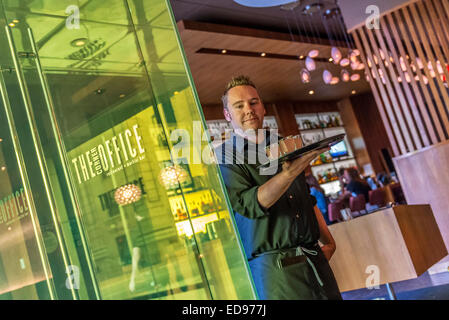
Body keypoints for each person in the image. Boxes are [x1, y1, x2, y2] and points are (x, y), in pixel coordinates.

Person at [215, 75, 341, 300]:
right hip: (277, 269)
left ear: (263, 107)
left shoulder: (282, 143)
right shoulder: (225, 156)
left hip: (314, 259)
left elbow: (306, 199)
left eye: (254, 102)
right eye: (239, 105)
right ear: (227, 115)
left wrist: (329, 242)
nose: (249, 109)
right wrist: (289, 173)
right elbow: (251, 204)